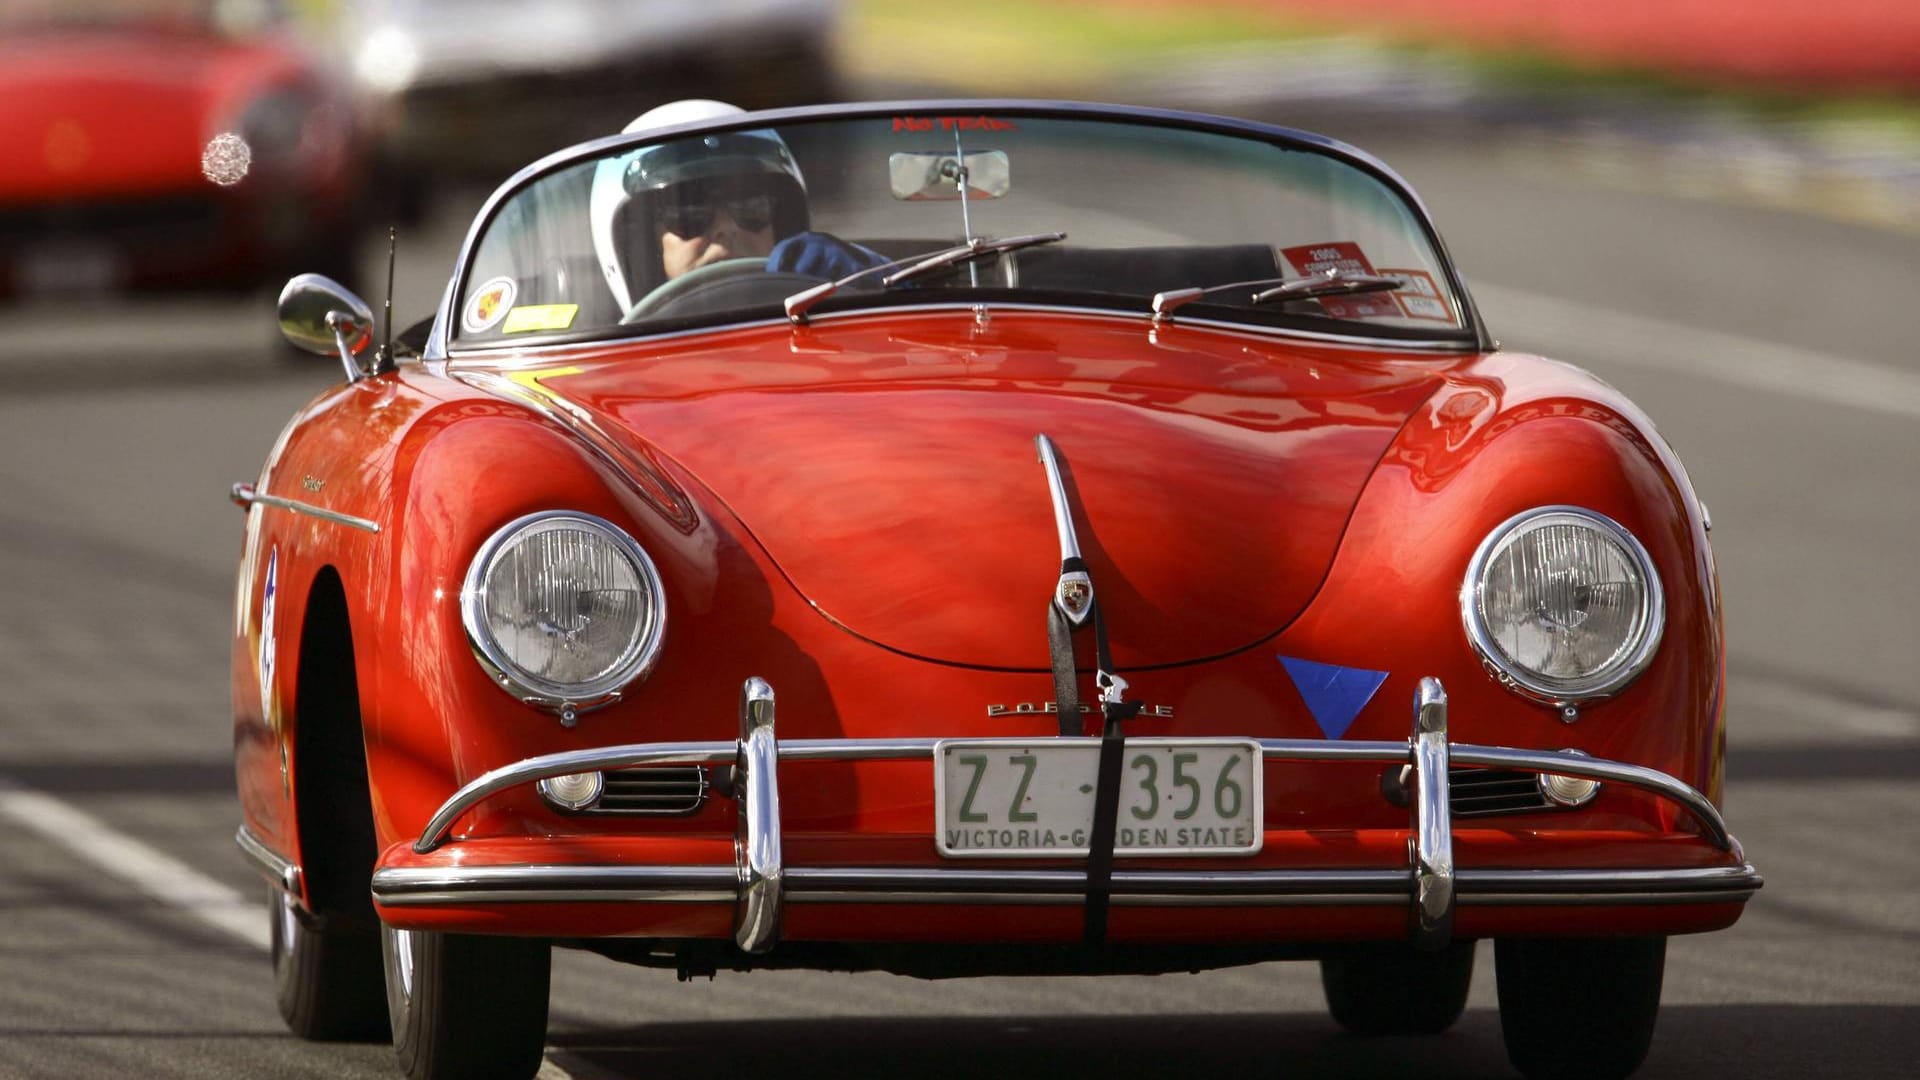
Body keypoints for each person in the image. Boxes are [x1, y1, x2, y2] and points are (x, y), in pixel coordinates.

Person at [589, 100, 884, 313]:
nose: (725, 228)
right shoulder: (590, 353)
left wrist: (868, 281)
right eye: (690, 213)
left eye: (752, 206)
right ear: (641, 241)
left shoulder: (831, 307)